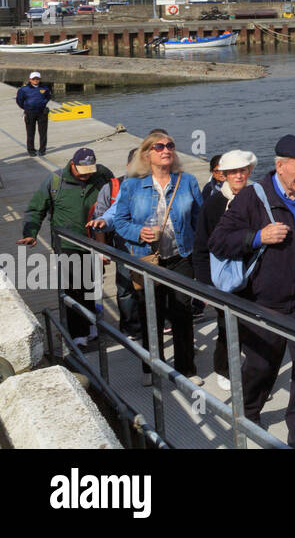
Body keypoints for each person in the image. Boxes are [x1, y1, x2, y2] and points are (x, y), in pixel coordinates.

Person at [209, 134, 295, 449]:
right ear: (279, 166)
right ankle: (249, 413)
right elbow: (218, 241)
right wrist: (257, 237)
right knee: (262, 364)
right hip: (263, 300)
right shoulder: (253, 197)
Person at [103, 130, 203, 385]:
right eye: (159, 146)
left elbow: (199, 222)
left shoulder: (187, 181)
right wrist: (139, 232)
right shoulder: (131, 185)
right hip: (147, 259)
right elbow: (120, 222)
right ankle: (152, 369)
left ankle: (186, 370)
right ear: (147, 154)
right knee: (152, 314)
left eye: (170, 145)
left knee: (182, 313)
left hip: (181, 257)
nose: (166, 150)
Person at [20, 147, 114, 345]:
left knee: (91, 285)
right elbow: (36, 208)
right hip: (66, 243)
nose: (86, 175)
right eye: (83, 170)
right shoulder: (55, 181)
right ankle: (77, 334)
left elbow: (115, 197)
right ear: (73, 165)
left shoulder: (102, 175)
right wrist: (30, 233)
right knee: (72, 287)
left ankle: (92, 325)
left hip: (93, 241)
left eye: (90, 170)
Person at [193, 149, 256, 392]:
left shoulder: (257, 198)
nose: (238, 176)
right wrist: (205, 285)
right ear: (223, 175)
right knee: (226, 325)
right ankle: (225, 368)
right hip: (223, 277)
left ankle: (252, 376)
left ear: (249, 171)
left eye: (243, 171)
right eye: (233, 172)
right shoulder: (213, 204)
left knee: (253, 328)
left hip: (252, 274)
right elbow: (200, 246)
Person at [91, 149, 141, 342]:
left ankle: (160, 322)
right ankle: (131, 327)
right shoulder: (113, 187)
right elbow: (102, 218)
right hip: (123, 244)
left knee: (153, 286)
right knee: (125, 287)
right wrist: (102, 249)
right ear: (128, 166)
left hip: (149, 245)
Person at [15, 71, 53, 156]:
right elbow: (19, 100)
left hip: (42, 113)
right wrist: (26, 107)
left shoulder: (45, 88)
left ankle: (42, 150)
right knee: (30, 133)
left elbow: (48, 97)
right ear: (30, 79)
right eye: (33, 79)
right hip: (30, 113)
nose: (35, 80)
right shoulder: (23, 89)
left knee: (43, 132)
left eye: (37, 79)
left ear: (40, 79)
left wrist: (43, 103)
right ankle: (31, 150)